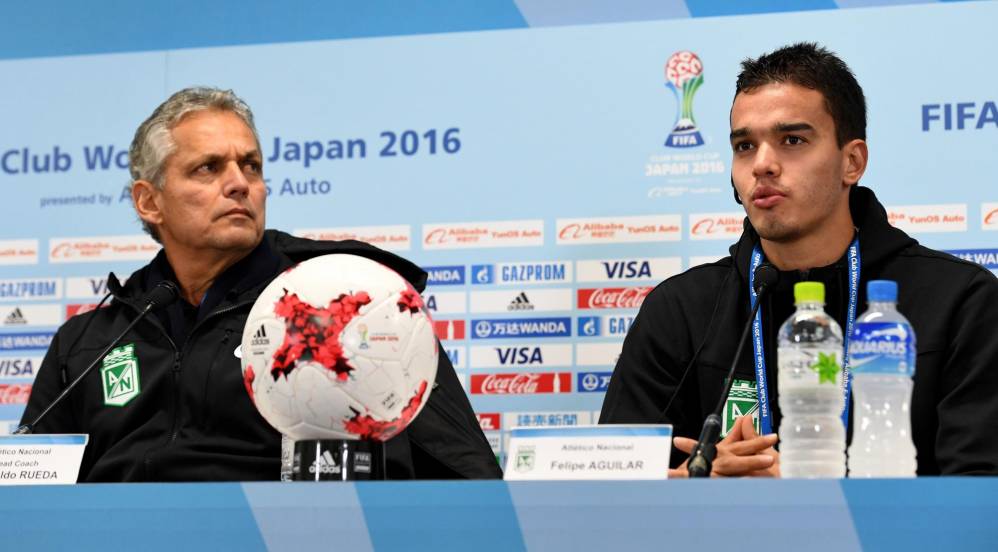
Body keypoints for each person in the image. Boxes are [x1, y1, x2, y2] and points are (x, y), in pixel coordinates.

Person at [21, 87, 502, 482]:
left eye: (250, 165)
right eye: (207, 168)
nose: (239, 183)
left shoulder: (342, 304)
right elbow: (27, 489)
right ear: (149, 202)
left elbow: (461, 472)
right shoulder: (89, 342)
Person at [600, 43, 998, 476]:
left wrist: (804, 491)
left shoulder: (961, 302)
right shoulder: (680, 309)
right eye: (745, 146)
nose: (763, 165)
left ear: (852, 161)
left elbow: (980, 495)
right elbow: (613, 489)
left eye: (792, 140)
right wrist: (697, 480)